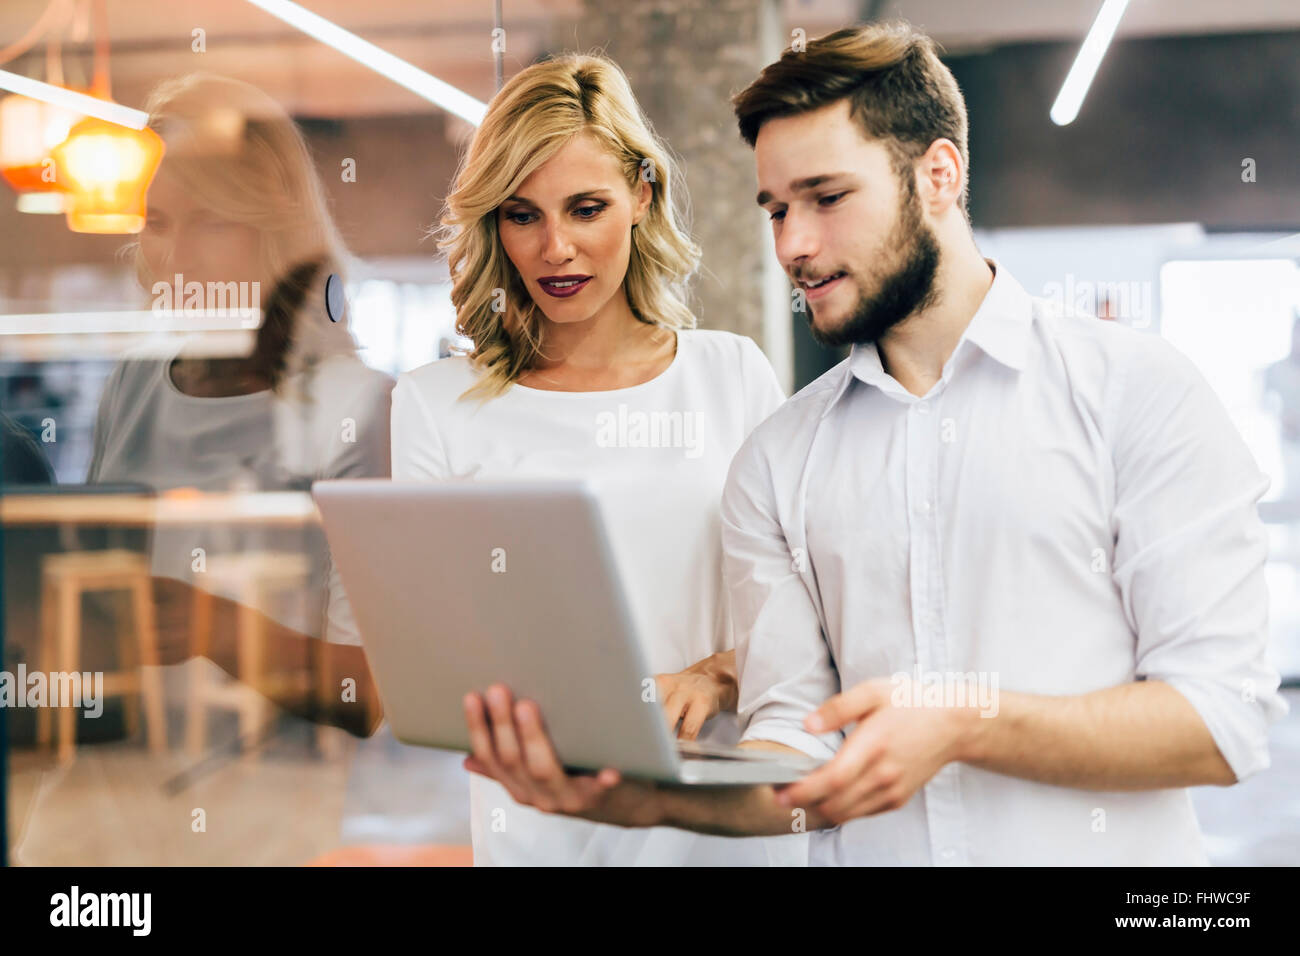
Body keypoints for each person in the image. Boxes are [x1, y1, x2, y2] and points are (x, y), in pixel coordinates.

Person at [460, 22, 1288, 865]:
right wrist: (638, 798)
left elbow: (1222, 720)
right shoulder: (778, 463)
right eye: (777, 210)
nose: (793, 246)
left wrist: (966, 724)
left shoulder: (1133, 391)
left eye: (826, 198)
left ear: (939, 174)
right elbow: (798, 745)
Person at [391, 53, 802, 865]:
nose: (556, 249)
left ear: (641, 198)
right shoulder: (435, 404)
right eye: (521, 215)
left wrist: (719, 674)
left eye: (586, 209)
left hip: (718, 816)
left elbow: (807, 606)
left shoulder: (732, 374)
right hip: (539, 822)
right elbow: (437, 652)